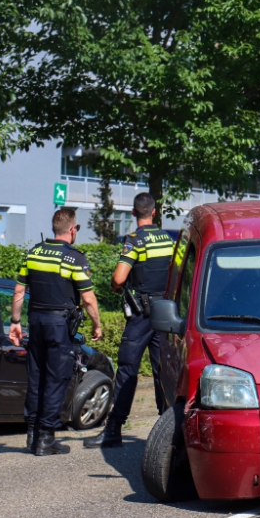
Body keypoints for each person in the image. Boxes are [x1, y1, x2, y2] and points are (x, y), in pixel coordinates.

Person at [10, 208, 102, 456]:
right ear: (72, 230)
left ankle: (32, 434)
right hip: (58, 325)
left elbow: (19, 291)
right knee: (57, 379)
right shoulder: (74, 258)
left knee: (36, 378)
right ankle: (46, 439)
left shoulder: (34, 253)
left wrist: (15, 322)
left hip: (36, 323)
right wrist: (97, 324)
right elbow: (89, 298)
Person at [85, 192, 172, 448]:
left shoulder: (134, 241)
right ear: (154, 212)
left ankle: (113, 429)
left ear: (134, 213)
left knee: (127, 369)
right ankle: (167, 432)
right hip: (165, 312)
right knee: (163, 372)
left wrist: (114, 286)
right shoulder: (168, 239)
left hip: (142, 315)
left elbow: (119, 278)